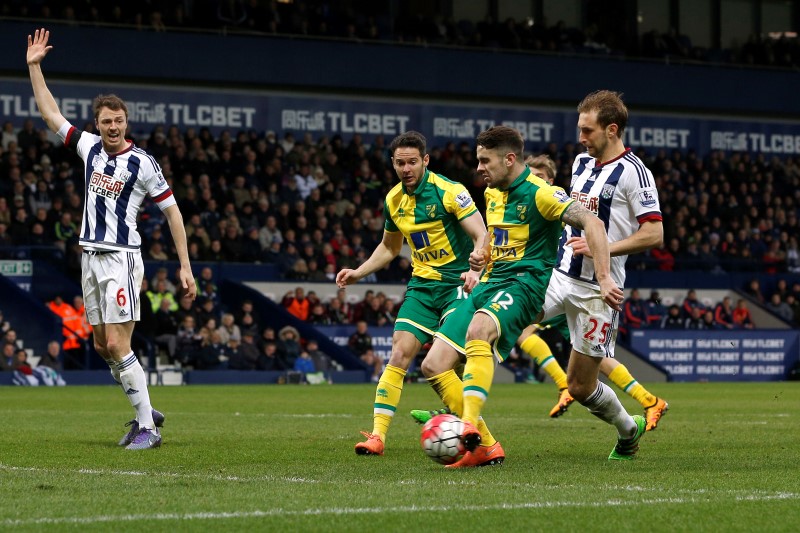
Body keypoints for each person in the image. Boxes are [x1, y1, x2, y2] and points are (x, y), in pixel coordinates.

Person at [27, 28, 196, 450]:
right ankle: (146, 408)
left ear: (126, 123)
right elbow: (51, 115)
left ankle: (148, 428)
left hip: (121, 258)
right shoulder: (90, 149)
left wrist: (185, 265)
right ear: (97, 124)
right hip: (90, 258)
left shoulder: (143, 163)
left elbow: (173, 212)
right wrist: (34, 67)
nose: (113, 127)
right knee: (103, 346)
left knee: (120, 342)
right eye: (106, 121)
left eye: (119, 120)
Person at [416, 125, 619, 468]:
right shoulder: (493, 193)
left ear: (509, 159)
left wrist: (603, 277)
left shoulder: (542, 194)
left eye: (485, 160)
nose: (478, 168)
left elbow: (594, 225)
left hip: (524, 287)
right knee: (432, 365)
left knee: (480, 330)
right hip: (488, 285)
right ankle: (486, 446)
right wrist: (480, 260)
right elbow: (496, 242)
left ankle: (466, 425)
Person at [336, 130, 486, 456]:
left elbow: (480, 234)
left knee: (447, 364)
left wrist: (475, 270)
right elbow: (390, 248)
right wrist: (358, 272)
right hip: (422, 286)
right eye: (400, 163)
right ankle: (377, 436)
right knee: (399, 352)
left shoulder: (450, 191)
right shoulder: (393, 200)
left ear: (425, 161)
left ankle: (474, 430)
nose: (407, 168)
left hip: (457, 286)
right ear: (393, 164)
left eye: (413, 162)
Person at [536, 90, 664, 459]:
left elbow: (654, 234)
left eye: (587, 130)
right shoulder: (580, 163)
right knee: (499, 321)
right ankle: (464, 419)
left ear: (611, 130)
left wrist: (602, 248)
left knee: (578, 385)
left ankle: (628, 431)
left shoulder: (635, 173)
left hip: (599, 292)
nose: (580, 137)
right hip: (559, 277)